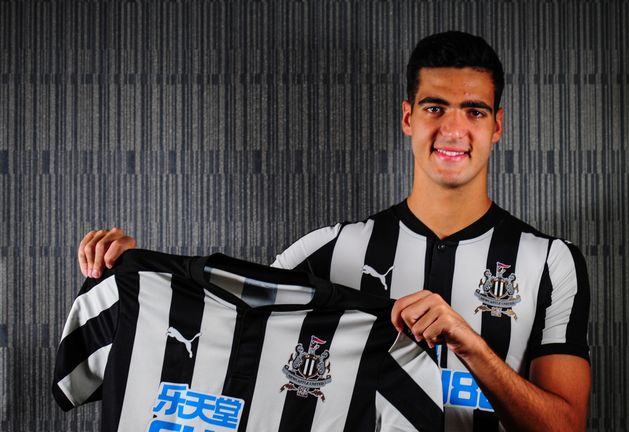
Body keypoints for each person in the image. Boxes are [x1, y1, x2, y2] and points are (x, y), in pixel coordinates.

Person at [77, 31, 591, 431]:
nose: (453, 130)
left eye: (473, 111)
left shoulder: (550, 262)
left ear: (496, 125)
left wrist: (471, 346)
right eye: (435, 108)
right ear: (409, 118)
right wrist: (144, 279)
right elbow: (226, 332)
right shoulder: (325, 250)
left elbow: (565, 426)